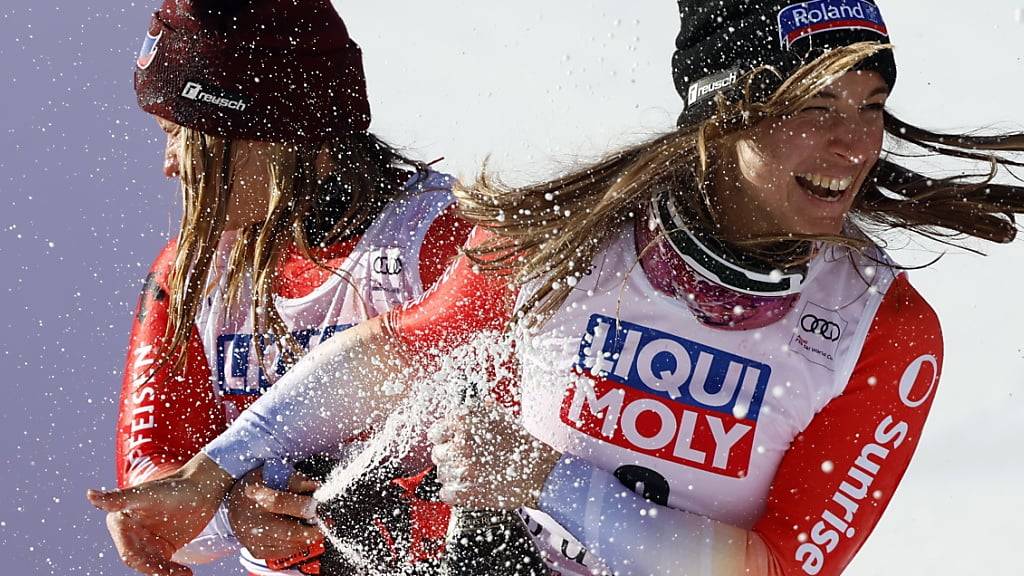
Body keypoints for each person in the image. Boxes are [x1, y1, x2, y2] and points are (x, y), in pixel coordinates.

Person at [89, 0, 1024, 575]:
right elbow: (394, 352)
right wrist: (210, 476)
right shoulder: (563, 238)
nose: (856, 145)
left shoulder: (883, 330)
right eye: (816, 107)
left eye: (869, 108)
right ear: (721, 113)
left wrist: (544, 480)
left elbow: (773, 570)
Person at [106, 1, 470, 574]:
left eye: (179, 134)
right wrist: (234, 511)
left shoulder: (443, 240)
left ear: (269, 133)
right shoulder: (190, 274)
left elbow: (545, 458)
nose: (169, 166)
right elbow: (146, 503)